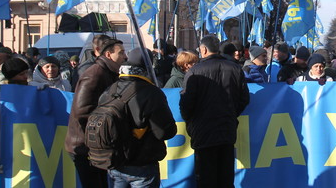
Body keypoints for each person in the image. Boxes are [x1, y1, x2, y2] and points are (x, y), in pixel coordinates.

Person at [98, 48, 177, 188]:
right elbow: (165, 131)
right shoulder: (151, 92)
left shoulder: (110, 90)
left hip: (114, 162)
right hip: (142, 163)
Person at [179, 35, 250, 187]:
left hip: (203, 132)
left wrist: (193, 123)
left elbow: (186, 104)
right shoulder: (235, 69)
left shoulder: (194, 72)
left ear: (203, 50)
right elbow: (244, 99)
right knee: (225, 178)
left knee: (206, 179)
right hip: (226, 130)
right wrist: (230, 114)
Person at [65, 38, 127, 188]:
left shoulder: (110, 72)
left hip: (97, 145)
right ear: (108, 54)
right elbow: (82, 111)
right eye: (121, 53)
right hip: (85, 146)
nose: (125, 57)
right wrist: (106, 130)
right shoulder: (94, 74)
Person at [0, 58, 30, 182]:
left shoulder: (32, 94)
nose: (25, 77)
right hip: (6, 151)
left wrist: (43, 93)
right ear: (12, 76)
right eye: (21, 74)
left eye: (26, 73)